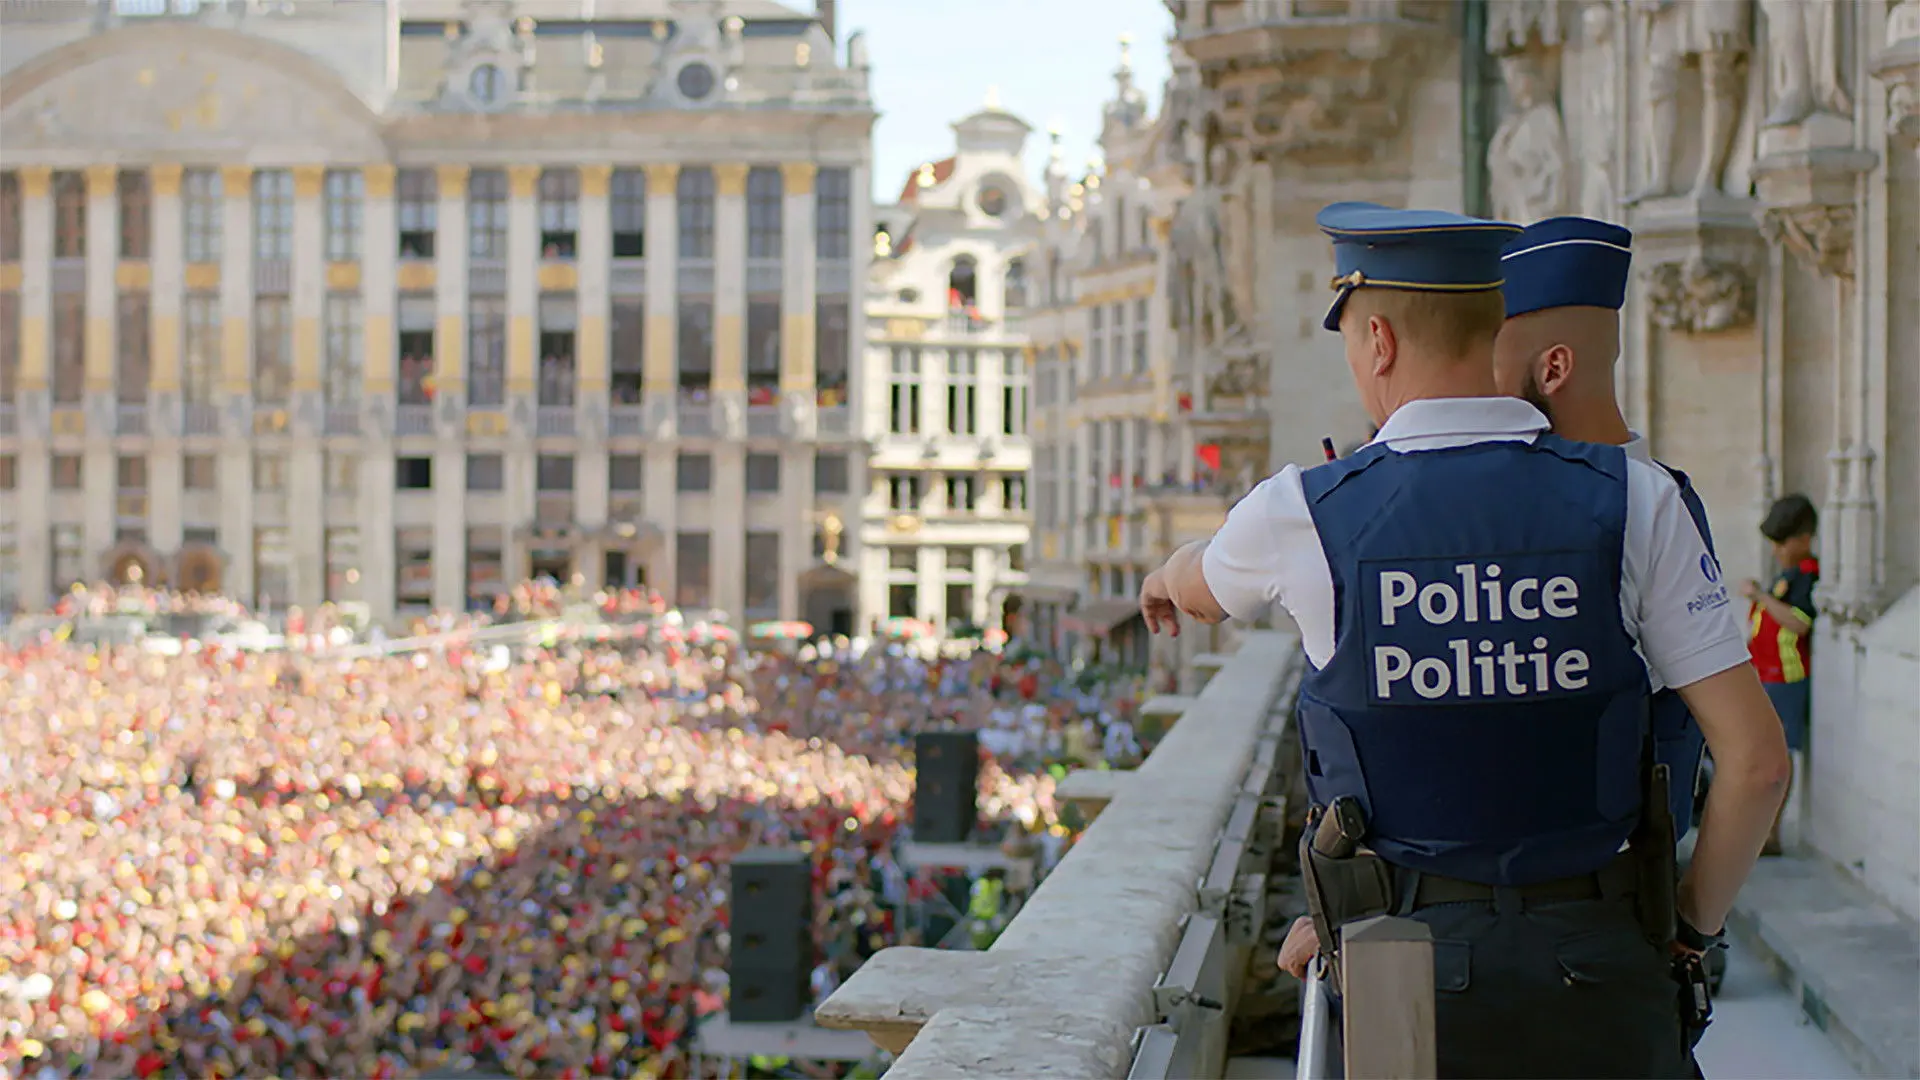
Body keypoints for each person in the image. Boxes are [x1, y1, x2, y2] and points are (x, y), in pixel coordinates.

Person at [1139, 202, 1790, 1077]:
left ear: (1378, 341)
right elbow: (1757, 763)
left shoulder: (1304, 513)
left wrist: (1170, 572)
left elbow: (1200, 589)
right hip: (1600, 966)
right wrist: (1686, 928)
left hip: (1398, 977)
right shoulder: (1639, 501)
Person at [1491, 215, 1718, 843]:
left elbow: (1749, 760)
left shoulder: (1659, 507)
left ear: (1553, 368)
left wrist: (1689, 927)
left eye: (1491, 367)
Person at [1744, 494, 1819, 854]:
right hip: (1766, 675)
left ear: (1803, 540)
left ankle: (1770, 834)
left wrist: (1761, 595)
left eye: (1782, 543)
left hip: (1787, 680)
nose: (1776, 551)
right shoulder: (1786, 575)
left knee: (1779, 758)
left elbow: (1798, 623)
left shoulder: (1806, 576)